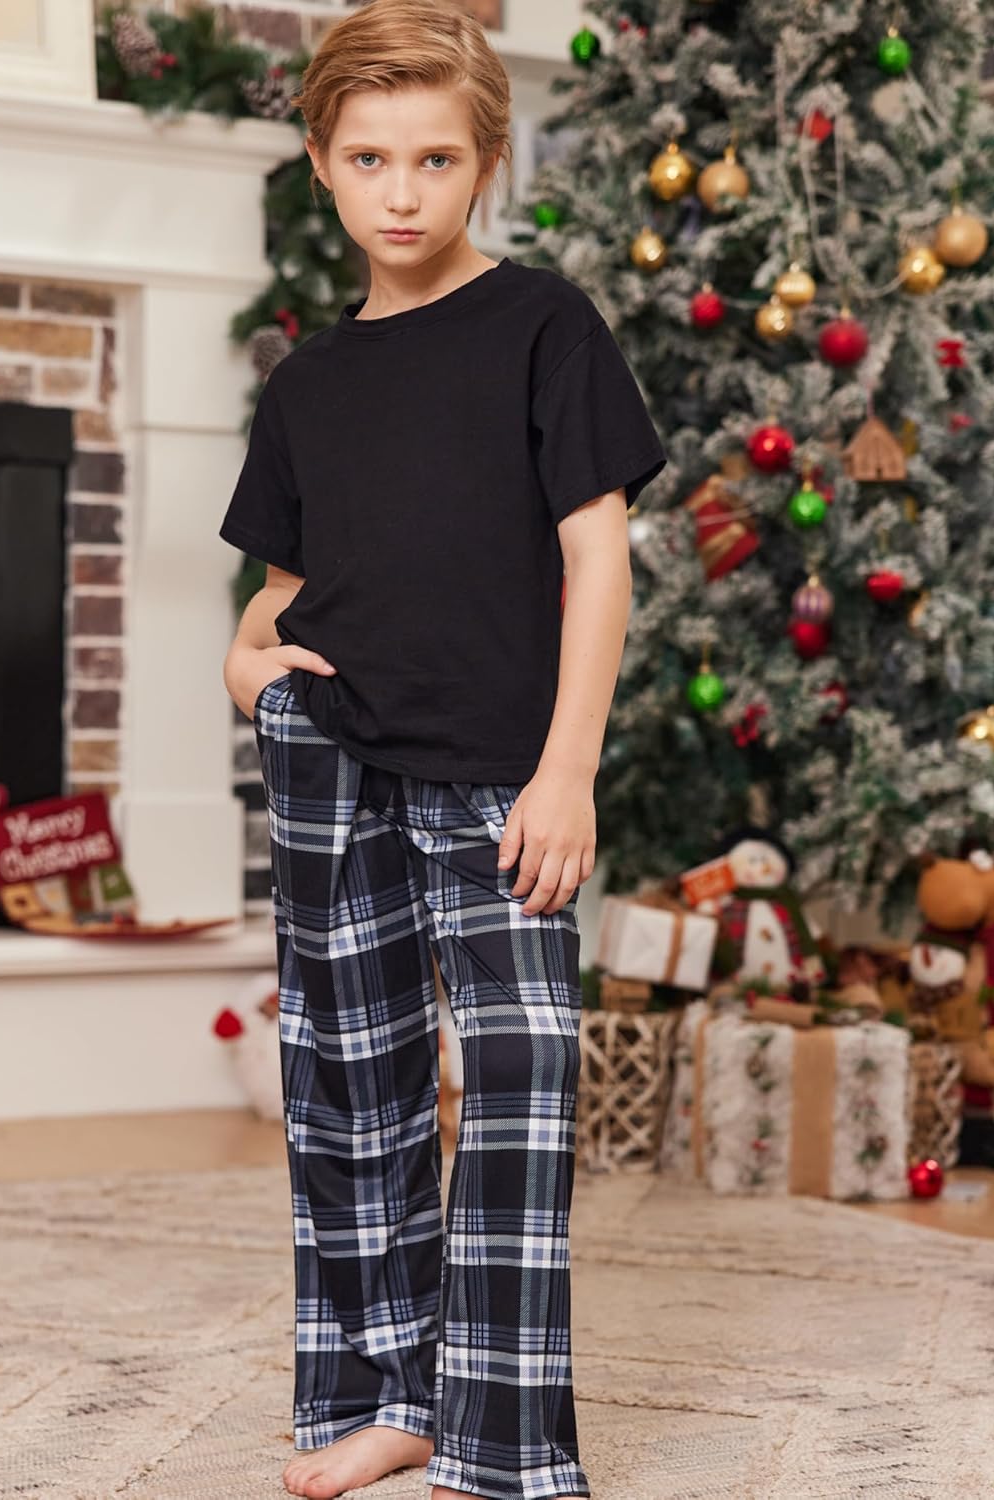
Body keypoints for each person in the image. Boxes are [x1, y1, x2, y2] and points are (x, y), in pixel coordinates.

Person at [220, 3, 667, 1496]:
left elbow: (597, 559)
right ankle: (388, 1397)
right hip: (333, 760)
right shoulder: (306, 383)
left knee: (521, 1087)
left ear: (486, 163)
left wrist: (567, 768)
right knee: (353, 1093)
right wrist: (245, 665)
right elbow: (279, 591)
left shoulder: (544, 326)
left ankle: (501, 1447)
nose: (401, 193)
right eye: (368, 159)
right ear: (321, 162)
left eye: (434, 160)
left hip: (503, 775)